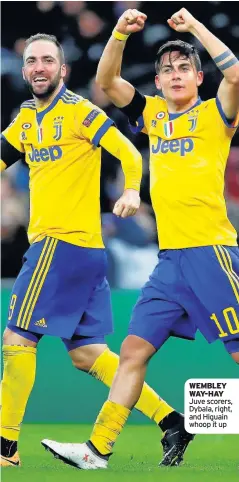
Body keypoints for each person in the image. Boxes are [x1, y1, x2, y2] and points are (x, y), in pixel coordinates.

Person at [41, 7, 239, 470]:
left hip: (211, 251)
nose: (174, 75)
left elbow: (235, 73)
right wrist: (118, 34)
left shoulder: (218, 115)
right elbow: (107, 80)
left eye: (183, 68)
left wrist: (194, 29)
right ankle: (97, 450)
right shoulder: (151, 115)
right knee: (132, 351)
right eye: (166, 70)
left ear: (197, 77)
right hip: (169, 262)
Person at [0, 33, 187, 468]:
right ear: (25, 70)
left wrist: (132, 193)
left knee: (16, 340)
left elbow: (129, 153)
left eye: (49, 60)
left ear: (63, 70)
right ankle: (171, 420)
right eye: (32, 61)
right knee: (87, 354)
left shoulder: (80, 112)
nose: (40, 67)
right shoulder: (26, 118)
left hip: (58, 245)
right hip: (82, 253)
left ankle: (5, 448)